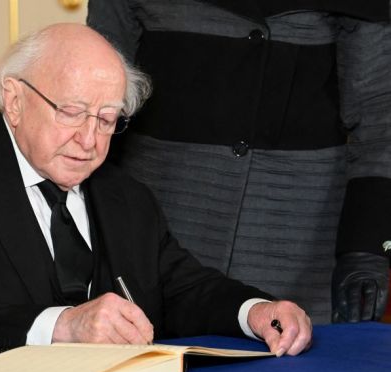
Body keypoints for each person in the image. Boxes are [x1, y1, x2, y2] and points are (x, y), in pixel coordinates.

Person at [0, 23, 312, 358]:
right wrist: (64, 325)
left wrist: (255, 311)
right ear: (14, 100)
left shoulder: (124, 193)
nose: (90, 141)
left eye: (107, 120)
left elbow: (181, 287)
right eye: (72, 113)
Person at [87, 1, 391, 325]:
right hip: (161, 219)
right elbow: (97, 96)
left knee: (289, 363)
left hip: (297, 234)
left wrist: (365, 247)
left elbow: (378, 116)